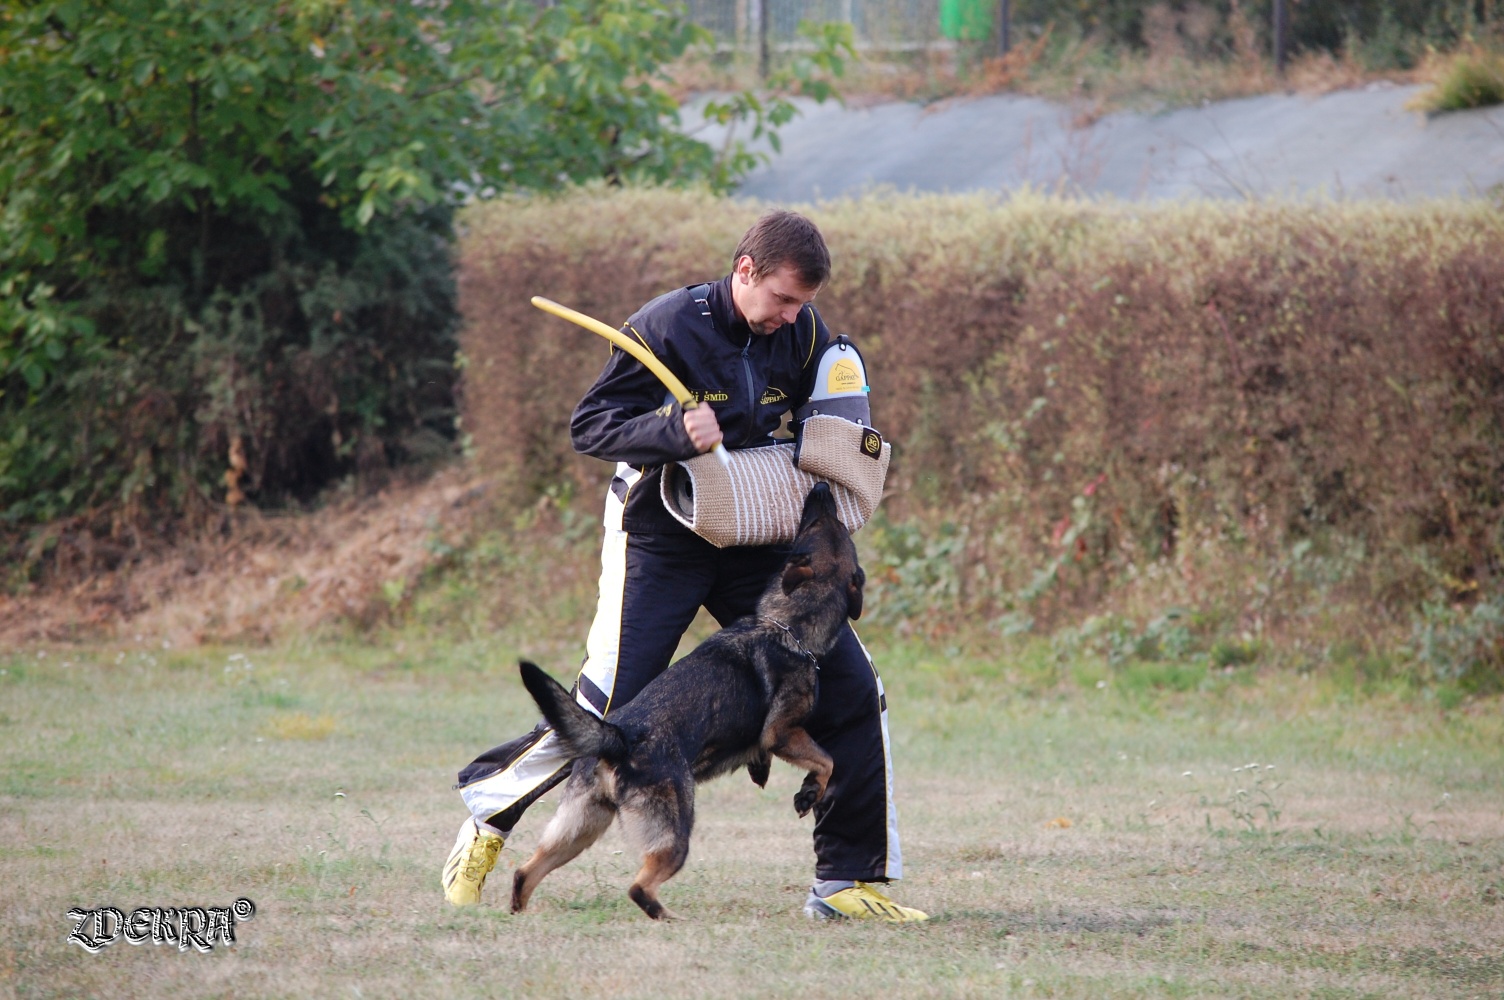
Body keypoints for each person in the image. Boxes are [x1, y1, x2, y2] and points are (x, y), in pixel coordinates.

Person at [442, 210, 926, 923]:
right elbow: (591, 424)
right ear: (745, 271)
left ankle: (848, 881)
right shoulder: (669, 324)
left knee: (853, 686)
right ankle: (488, 814)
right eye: (782, 300)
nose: (791, 317)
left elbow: (823, 428)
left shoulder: (807, 334)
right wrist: (672, 431)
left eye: (802, 304)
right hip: (658, 532)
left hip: (749, 529)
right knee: (610, 707)